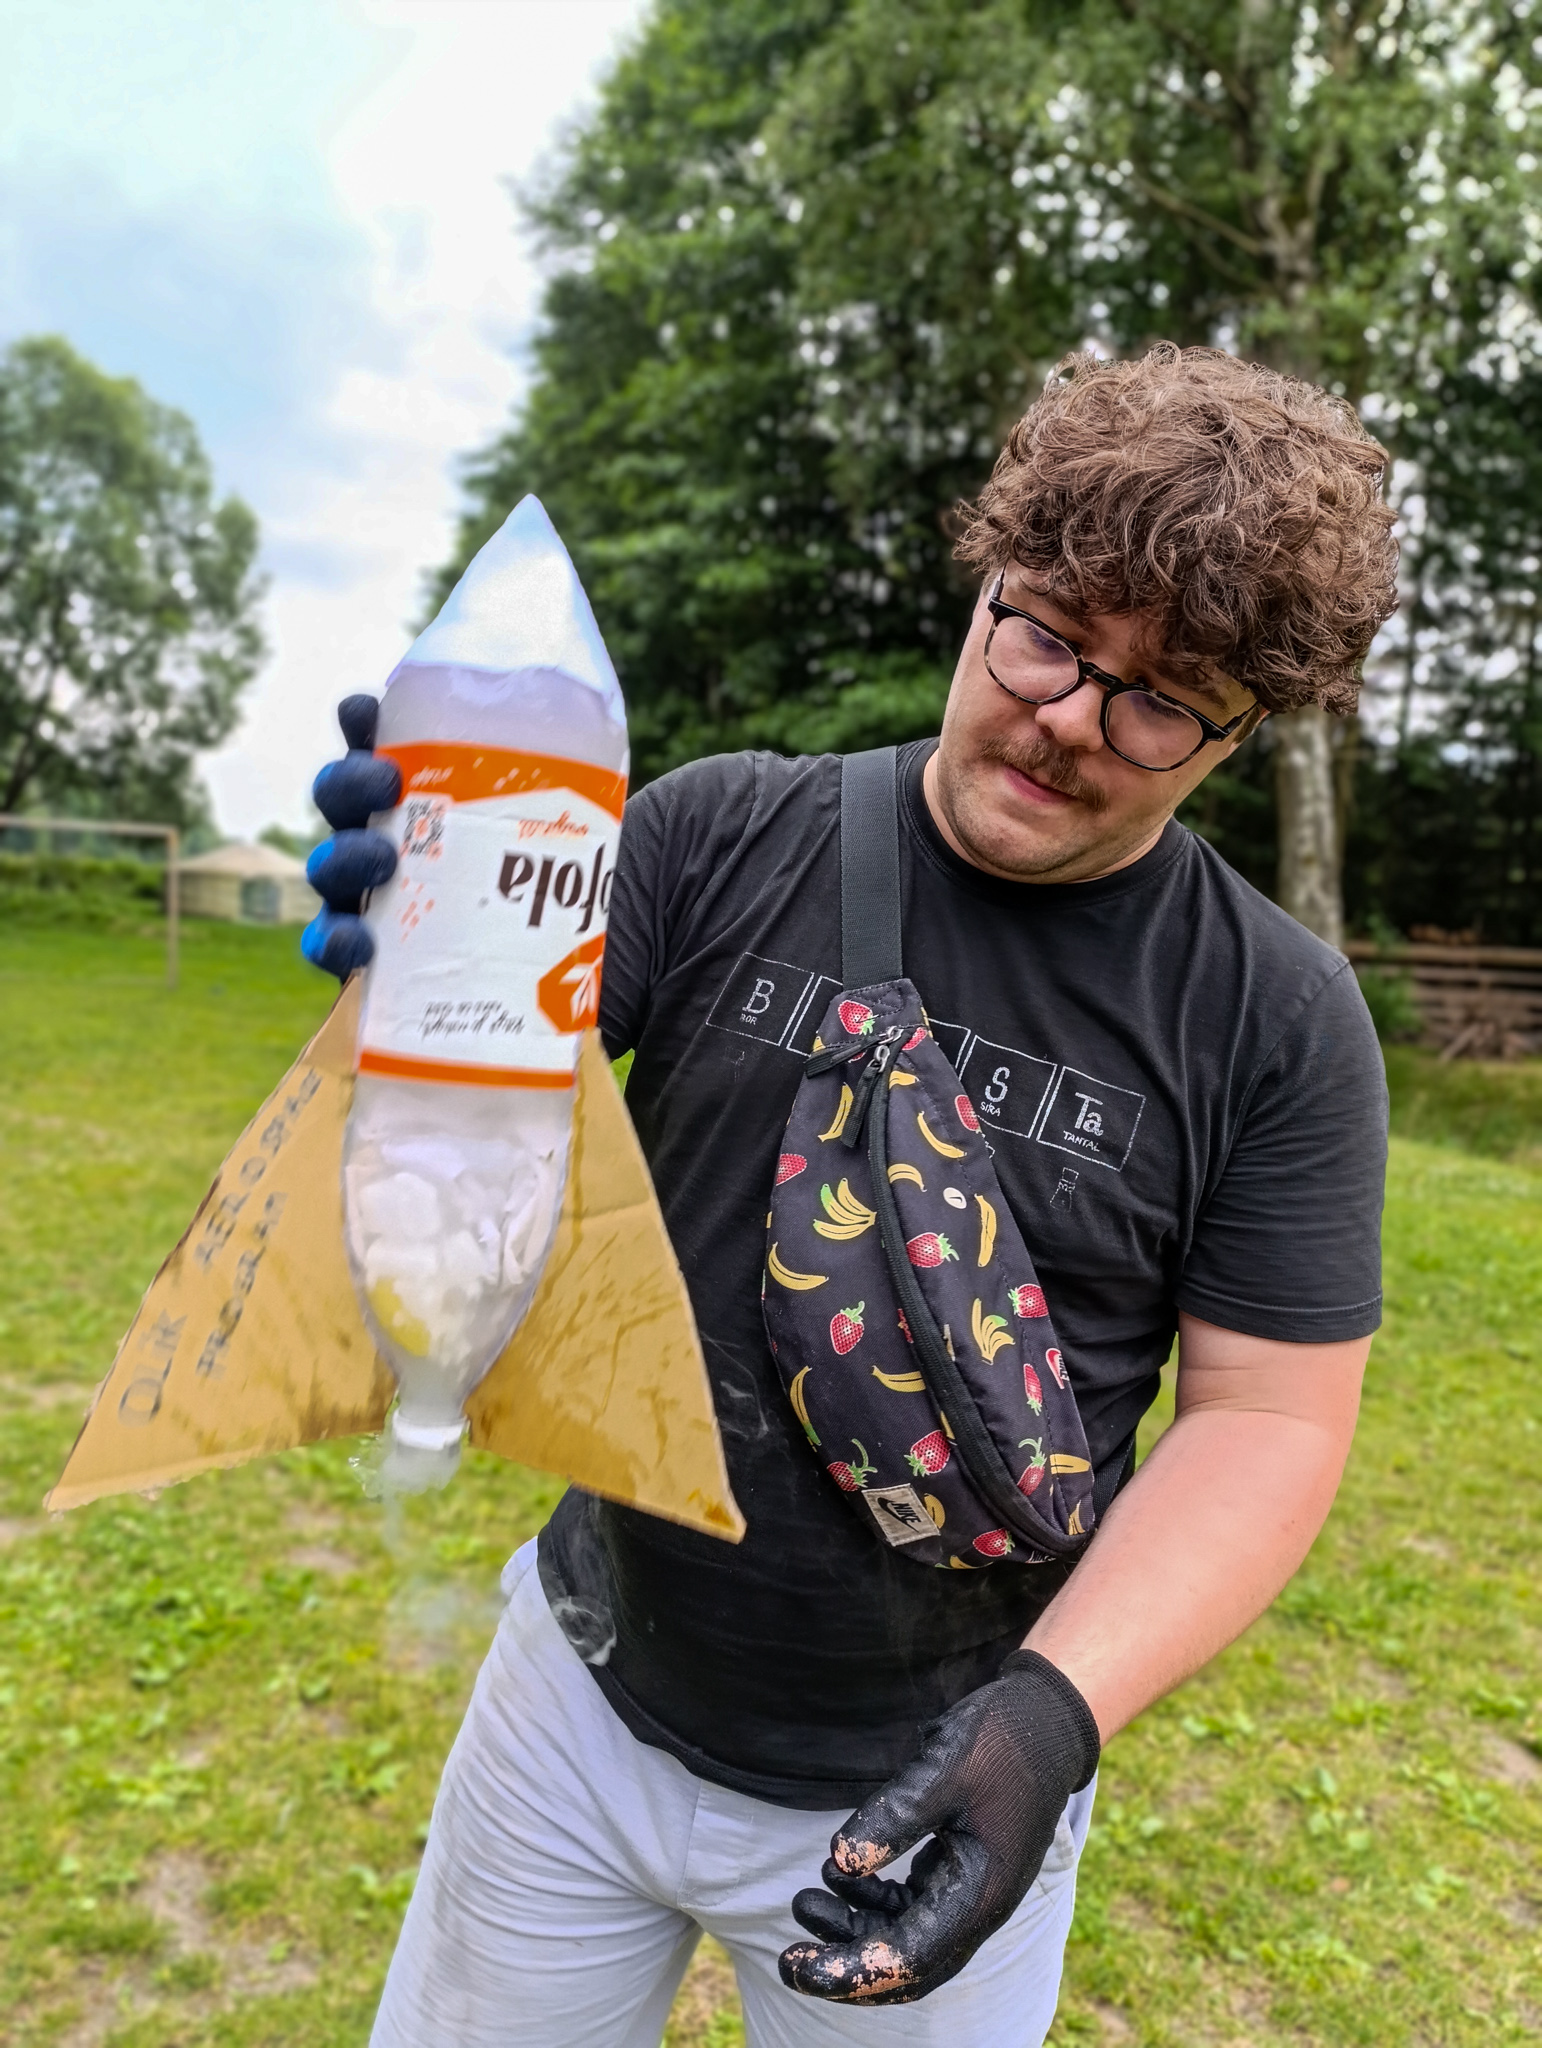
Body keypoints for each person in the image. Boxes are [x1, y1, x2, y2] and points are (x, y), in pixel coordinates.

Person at [306, 344, 1397, 2047]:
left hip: (939, 1776)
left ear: (1239, 732)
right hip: (577, 1695)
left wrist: (1049, 1722)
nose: (1067, 716)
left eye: (1159, 698)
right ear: (985, 580)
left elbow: (1267, 1416)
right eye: (1046, 633)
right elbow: (469, 1111)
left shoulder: (1273, 1016)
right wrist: (423, 944)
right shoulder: (715, 836)